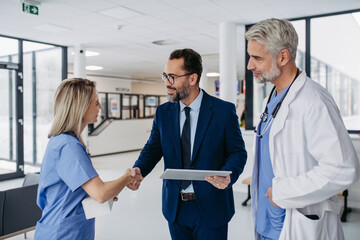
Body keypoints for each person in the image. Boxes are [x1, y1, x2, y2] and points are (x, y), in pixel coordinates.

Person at [246, 18, 359, 240]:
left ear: (283, 56)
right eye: (250, 57)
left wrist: (284, 192)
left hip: (294, 224)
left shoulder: (314, 100)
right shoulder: (273, 97)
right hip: (266, 221)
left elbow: (343, 167)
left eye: (257, 58)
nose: (250, 65)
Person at [127, 48, 247, 239]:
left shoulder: (223, 111)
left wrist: (228, 175)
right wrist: (139, 169)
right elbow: (153, 148)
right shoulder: (163, 112)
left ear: (192, 78)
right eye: (165, 76)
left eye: (173, 77)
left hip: (212, 205)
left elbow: (237, 152)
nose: (167, 83)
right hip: (176, 207)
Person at [34, 78, 141, 240]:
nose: (100, 107)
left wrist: (109, 192)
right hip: (63, 233)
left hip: (69, 228)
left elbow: (77, 190)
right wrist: (127, 177)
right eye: (96, 103)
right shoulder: (68, 146)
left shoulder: (64, 141)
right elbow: (100, 193)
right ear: (81, 107)